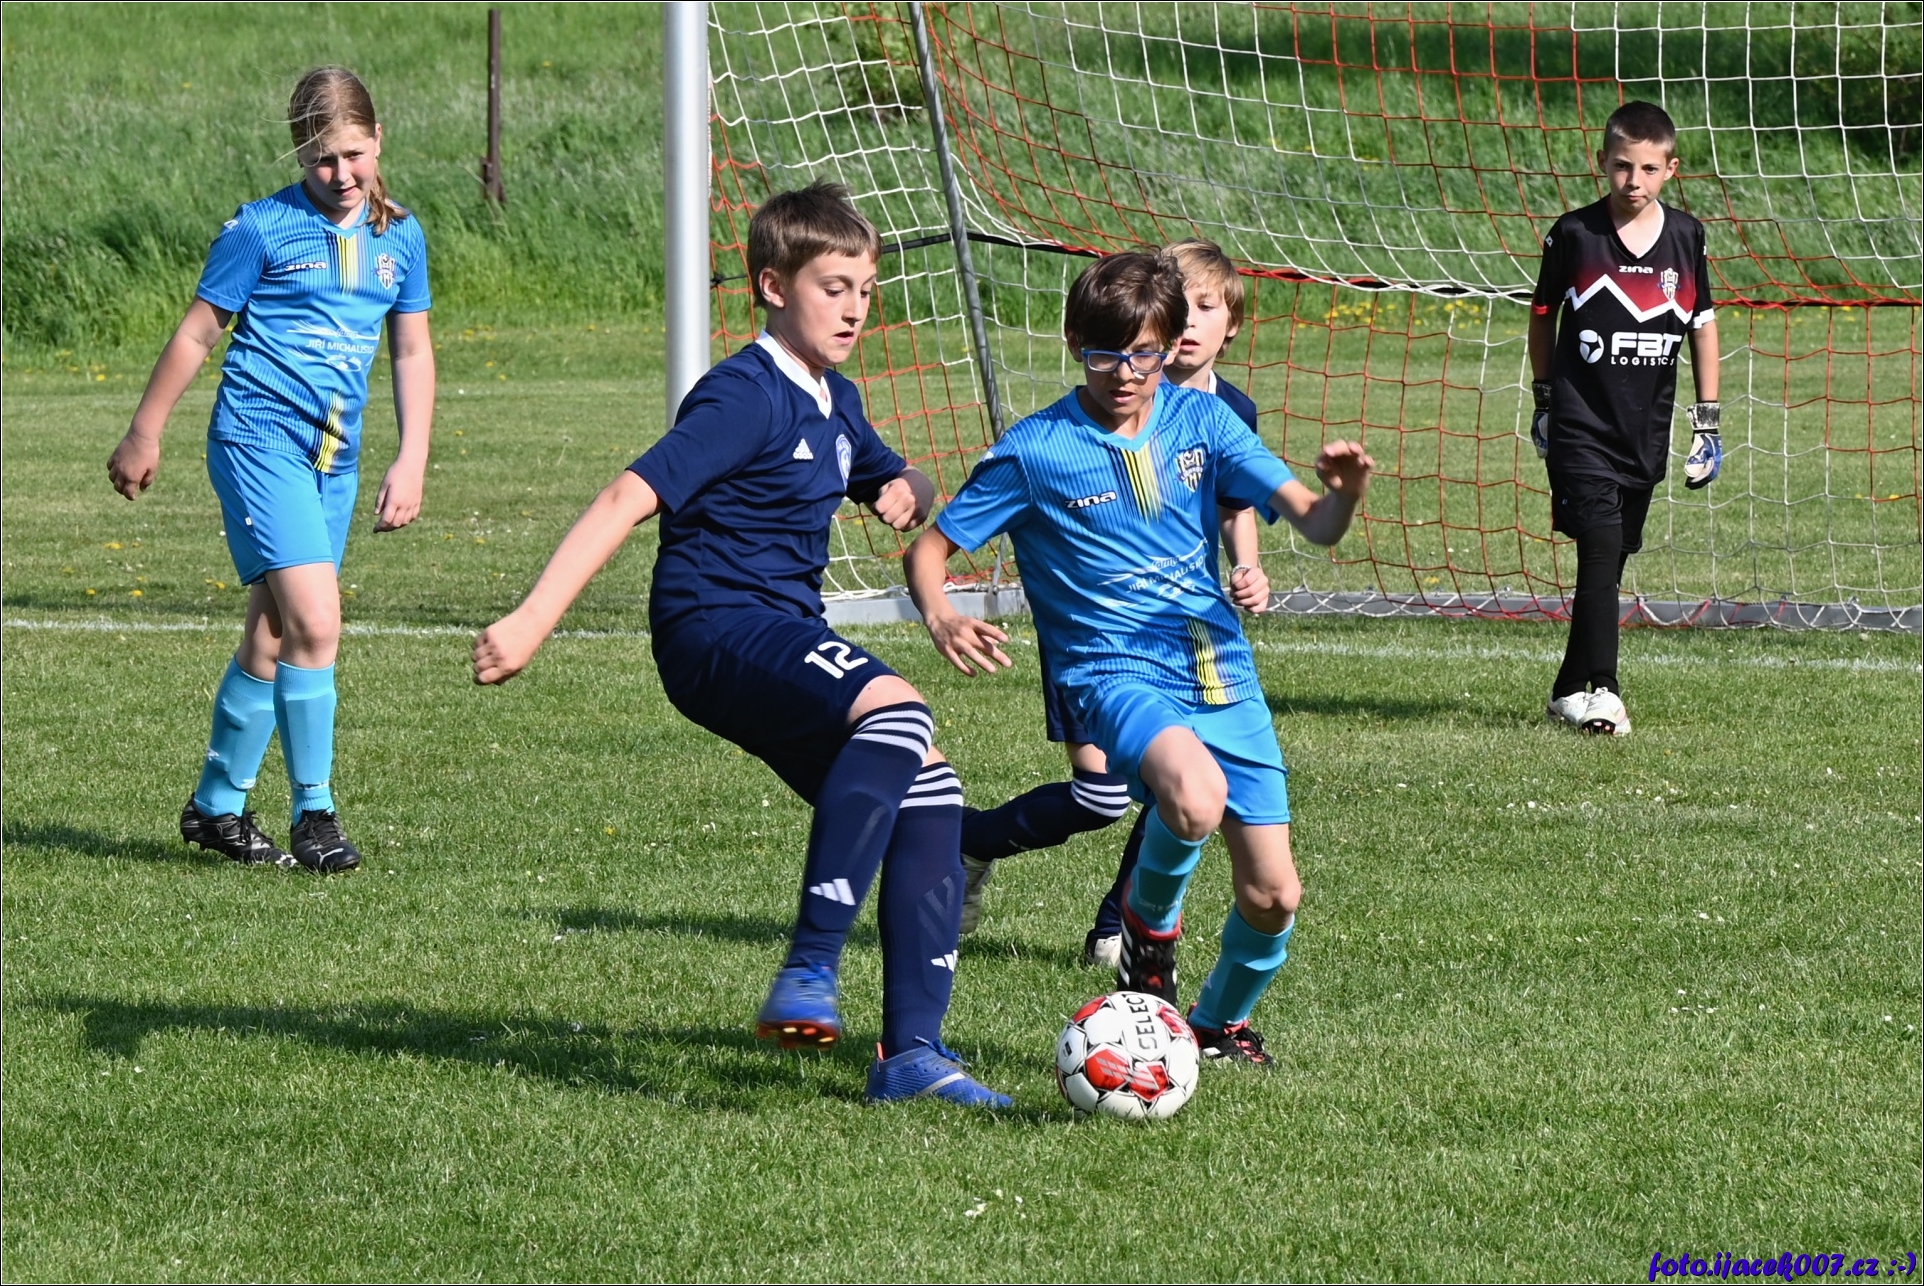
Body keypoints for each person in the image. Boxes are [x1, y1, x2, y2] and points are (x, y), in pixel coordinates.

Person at [471, 182, 1008, 1108]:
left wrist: (909, 488)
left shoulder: (835, 399)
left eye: (865, 290)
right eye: (833, 288)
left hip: (780, 632)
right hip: (713, 625)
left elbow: (898, 473)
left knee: (931, 792)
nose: (854, 308)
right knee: (900, 711)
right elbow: (626, 498)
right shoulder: (742, 394)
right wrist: (531, 620)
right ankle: (810, 967)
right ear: (771, 285)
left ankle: (912, 1058)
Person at [905, 253, 1373, 1064]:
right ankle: (1145, 942)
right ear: (1073, 343)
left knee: (1274, 895)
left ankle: (1218, 1026)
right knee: (1193, 797)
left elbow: (1315, 522)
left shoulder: (1206, 423)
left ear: (1169, 346)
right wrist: (941, 611)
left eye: (1144, 354)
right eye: (1104, 355)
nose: (1125, 374)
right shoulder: (1038, 449)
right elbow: (931, 547)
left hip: (1218, 668)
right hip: (1108, 670)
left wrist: (1345, 496)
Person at [108, 66, 434, 874]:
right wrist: (144, 432)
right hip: (257, 442)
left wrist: (413, 455)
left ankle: (217, 807)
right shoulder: (260, 229)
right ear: (298, 153)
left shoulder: (402, 237)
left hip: (334, 459)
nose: (341, 173)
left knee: (276, 629)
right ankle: (314, 813)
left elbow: (411, 349)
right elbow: (197, 333)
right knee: (317, 622)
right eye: (322, 158)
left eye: (353, 153)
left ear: (378, 139)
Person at [954, 239, 1271, 976]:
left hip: (1185, 642)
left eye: (1207, 307)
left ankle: (1116, 927)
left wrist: (1247, 564)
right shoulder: (1077, 427)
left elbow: (1237, 503)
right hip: (1098, 642)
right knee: (1102, 797)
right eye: (1183, 306)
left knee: (1181, 786)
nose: (1190, 324)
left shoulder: (1228, 413)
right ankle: (971, 840)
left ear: (1231, 325)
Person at [1529, 100, 1721, 736]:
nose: (1633, 180)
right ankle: (1604, 692)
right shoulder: (1574, 235)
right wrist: (1545, 399)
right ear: (1602, 162)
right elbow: (1542, 317)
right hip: (1580, 426)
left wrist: (1708, 422)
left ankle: (1565, 689)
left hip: (1645, 430)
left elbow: (1702, 327)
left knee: (1610, 561)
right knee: (1599, 547)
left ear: (1671, 168)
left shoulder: (1687, 237)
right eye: (1620, 166)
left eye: (1647, 168)